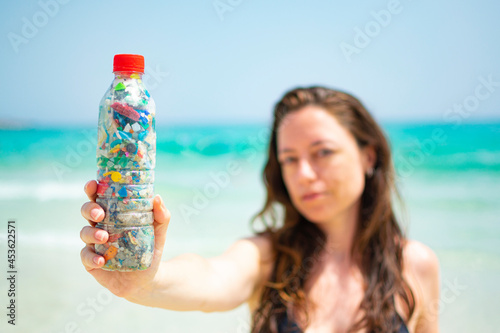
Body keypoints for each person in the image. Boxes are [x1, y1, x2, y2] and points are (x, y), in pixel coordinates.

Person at [80, 86, 440, 333]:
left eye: (323, 152)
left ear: (369, 155)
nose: (304, 174)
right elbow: (210, 279)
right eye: (289, 159)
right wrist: (146, 281)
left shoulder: (416, 266)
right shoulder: (268, 258)